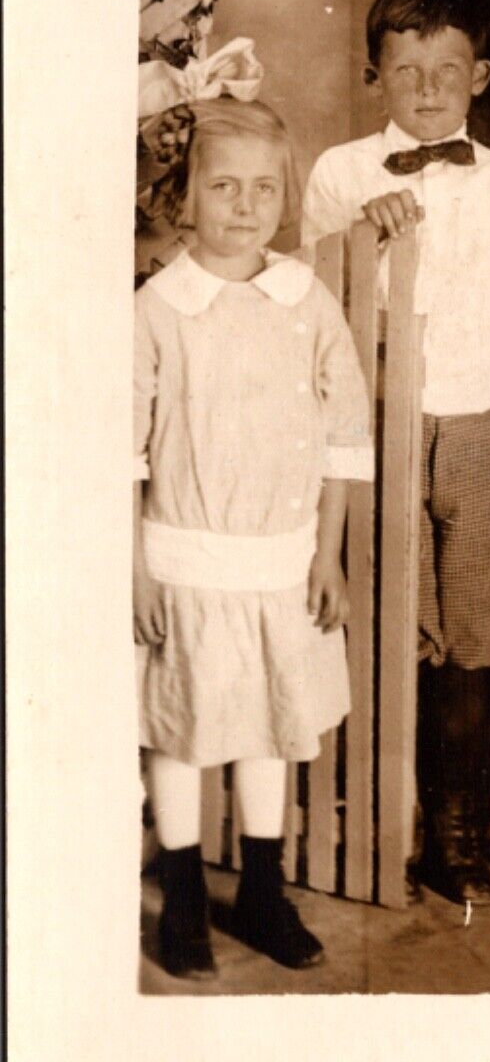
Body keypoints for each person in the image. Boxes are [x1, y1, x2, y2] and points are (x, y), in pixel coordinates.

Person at [302, 0, 490, 906]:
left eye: (445, 69)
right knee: (397, 616)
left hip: (484, 416)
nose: (425, 88)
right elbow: (311, 316)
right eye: (404, 69)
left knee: (473, 624)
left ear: (478, 76)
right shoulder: (339, 174)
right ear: (373, 73)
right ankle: (399, 823)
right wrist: (358, 239)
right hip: (380, 422)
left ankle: (454, 830)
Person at [134, 98, 374, 978]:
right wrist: (135, 570)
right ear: (182, 196)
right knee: (182, 729)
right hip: (183, 559)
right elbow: (122, 454)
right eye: (223, 185)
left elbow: (348, 437)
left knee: (271, 726)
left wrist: (329, 553)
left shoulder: (305, 301)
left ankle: (264, 892)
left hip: (282, 559)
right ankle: (187, 895)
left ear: (286, 198)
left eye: (264, 188)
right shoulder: (160, 307)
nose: (244, 205)